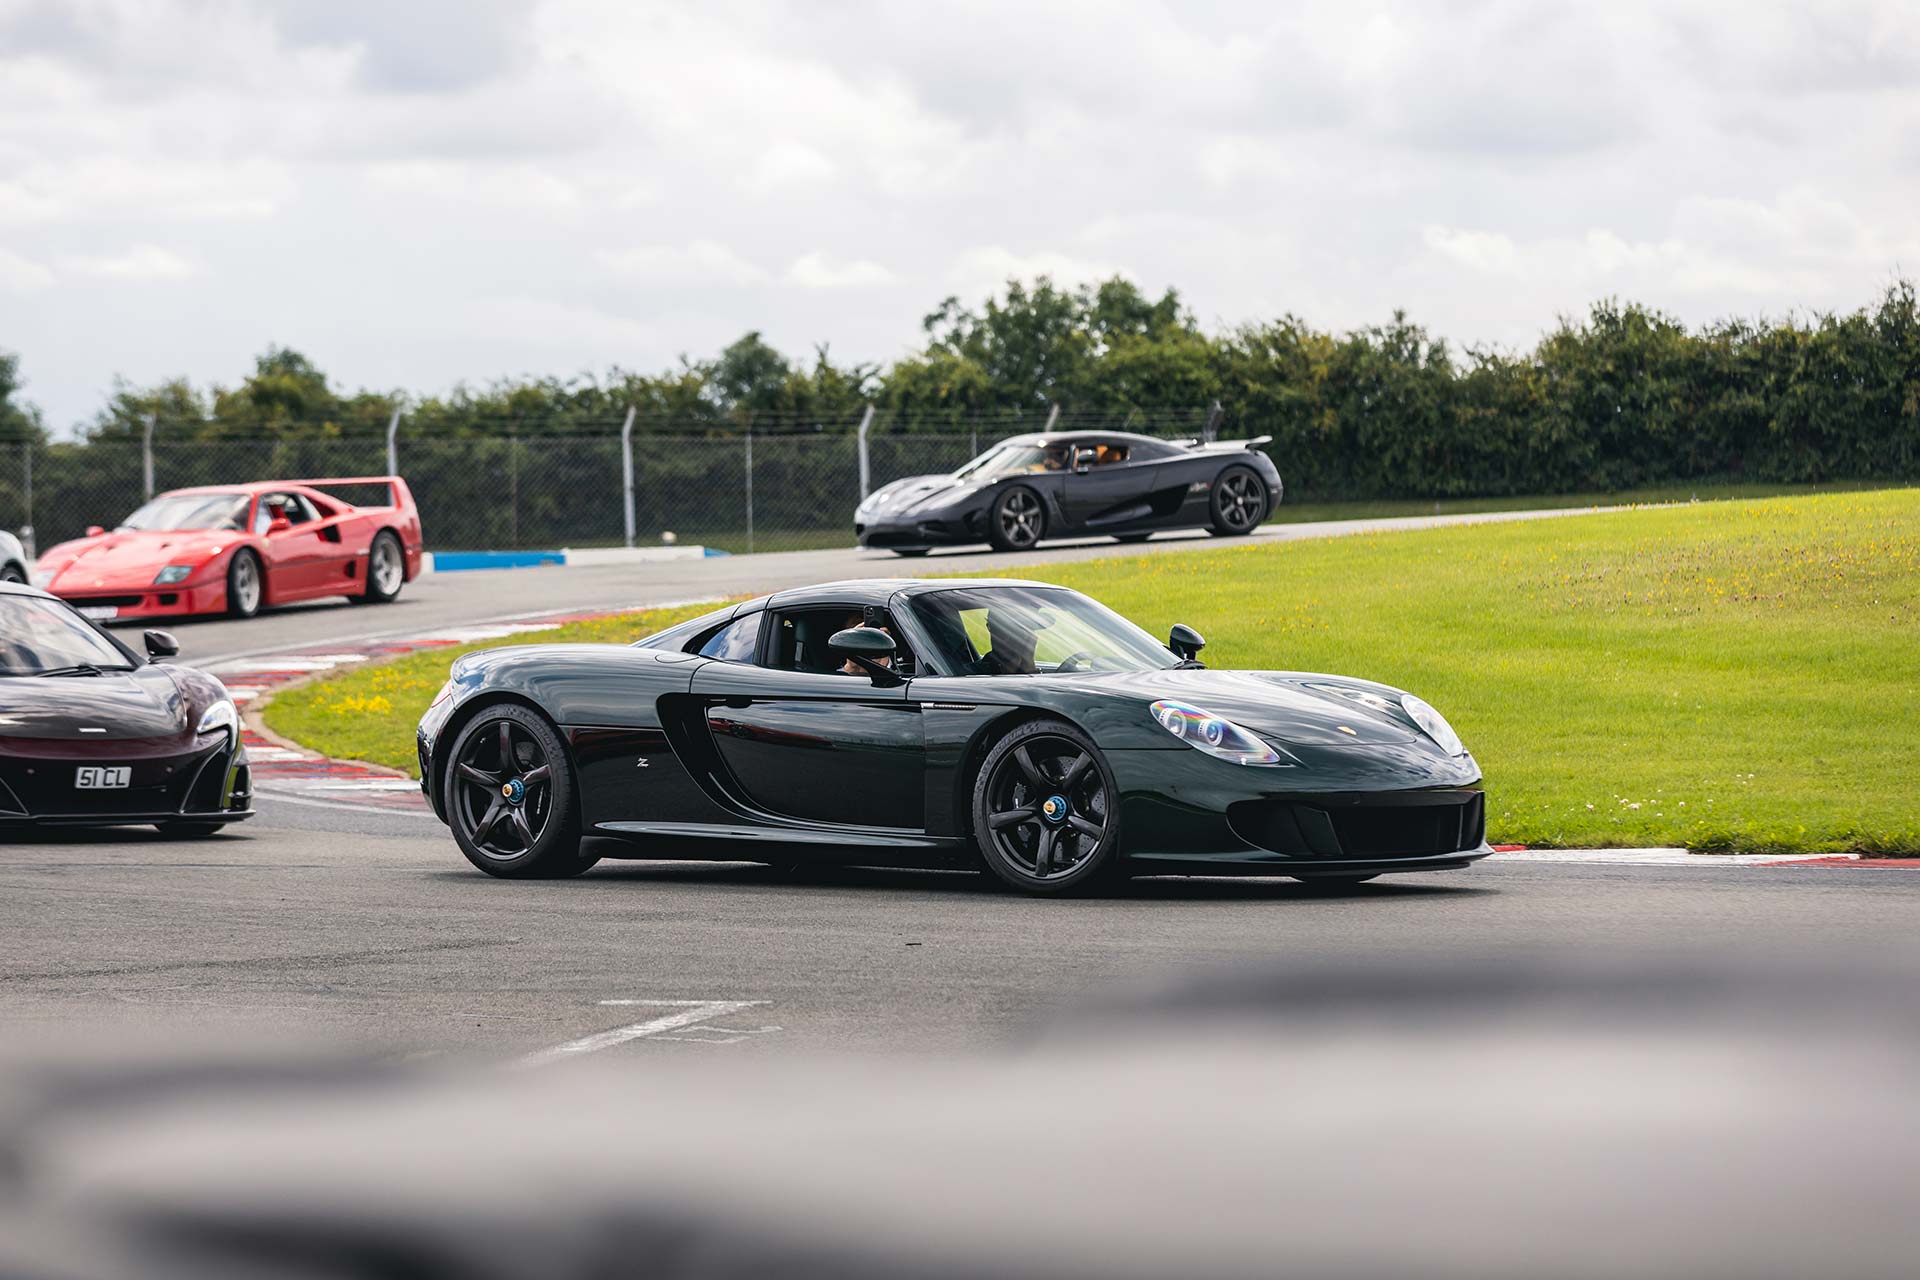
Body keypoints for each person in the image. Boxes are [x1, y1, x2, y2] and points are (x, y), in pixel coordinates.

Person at [968, 608, 1038, 676]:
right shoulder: (969, 674)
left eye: (1013, 630)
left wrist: (1028, 664)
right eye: (997, 629)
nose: (1005, 638)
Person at [838, 612, 894, 676]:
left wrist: (884, 656)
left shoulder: (904, 672)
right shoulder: (834, 677)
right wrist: (851, 666)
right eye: (856, 639)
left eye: (870, 636)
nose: (864, 642)